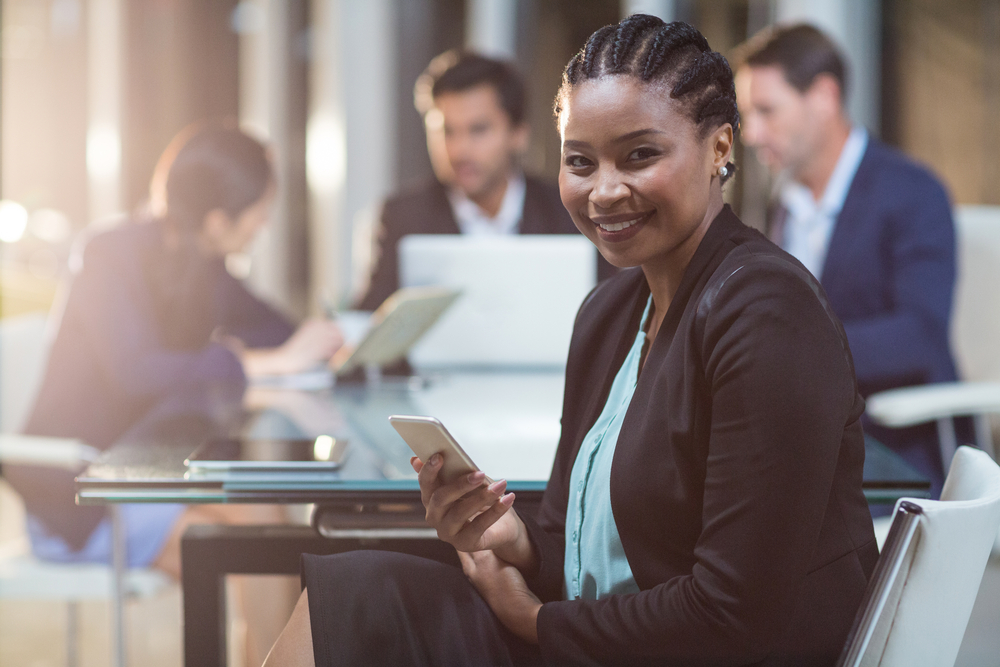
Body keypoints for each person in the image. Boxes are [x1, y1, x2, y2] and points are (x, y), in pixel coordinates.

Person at [265, 16, 876, 667]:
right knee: (352, 590)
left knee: (362, 602)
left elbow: (732, 614)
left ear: (720, 146)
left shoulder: (767, 312)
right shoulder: (611, 310)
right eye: (580, 161)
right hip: (607, 629)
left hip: (693, 651)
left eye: (641, 154)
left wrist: (533, 620)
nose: (604, 190)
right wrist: (515, 540)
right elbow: (573, 540)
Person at [5, 123, 343, 577]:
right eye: (260, 212)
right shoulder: (108, 254)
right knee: (250, 538)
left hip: (153, 471)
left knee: (260, 530)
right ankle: (285, 651)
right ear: (217, 220)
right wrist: (254, 363)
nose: (265, 224)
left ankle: (278, 653)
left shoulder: (205, 269)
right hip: (79, 495)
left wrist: (328, 340)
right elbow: (134, 371)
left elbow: (275, 330)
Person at [733, 24, 959, 496]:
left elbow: (920, 335)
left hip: (888, 451)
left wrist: (794, 352)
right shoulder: (780, 202)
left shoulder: (913, 192)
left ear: (823, 97)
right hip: (794, 443)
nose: (751, 134)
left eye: (766, 112)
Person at [355, 50, 613, 311]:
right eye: (446, 131)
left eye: (478, 130)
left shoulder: (569, 211)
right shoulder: (402, 217)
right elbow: (370, 318)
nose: (458, 151)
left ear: (518, 134)